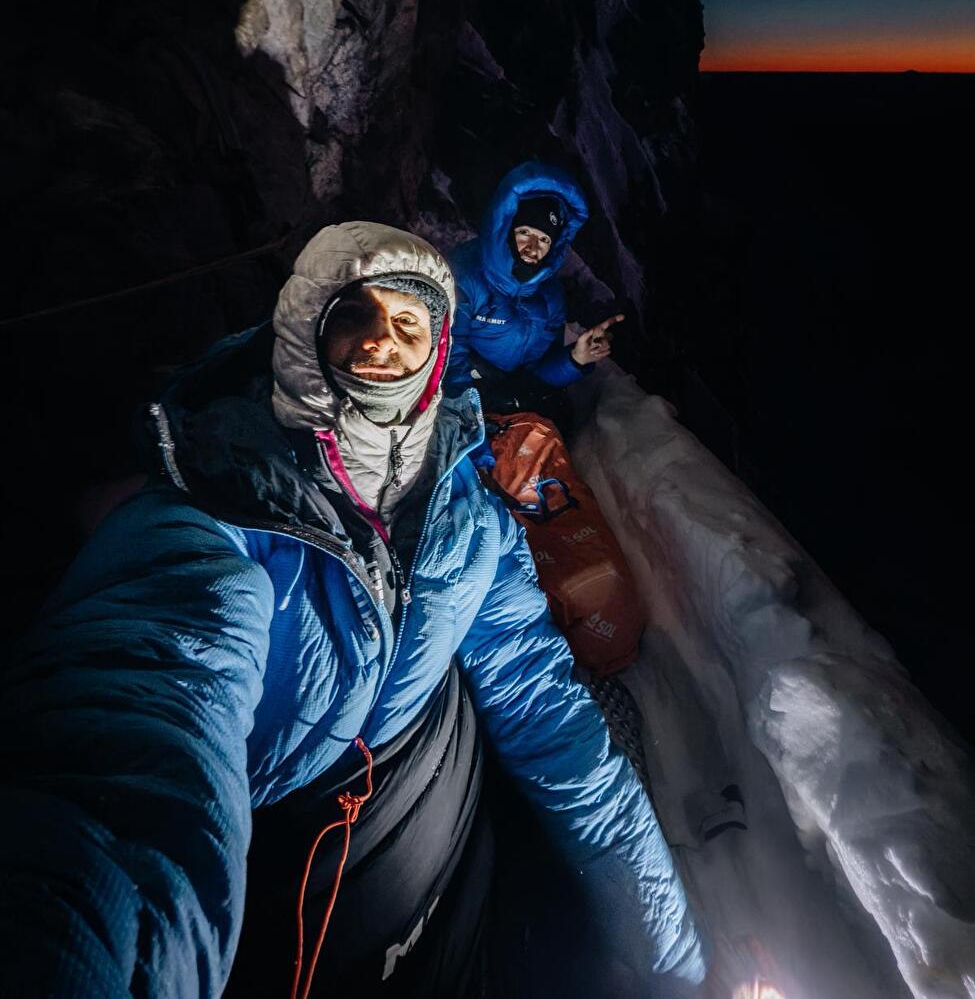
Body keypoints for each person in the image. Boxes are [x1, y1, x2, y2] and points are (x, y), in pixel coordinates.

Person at [0, 221, 706, 999]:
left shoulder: (465, 512)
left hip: (430, 797)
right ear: (306, 331)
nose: (381, 343)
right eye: (353, 317)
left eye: (407, 325)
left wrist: (669, 955)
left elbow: (543, 706)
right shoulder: (214, 513)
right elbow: (134, 737)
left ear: (434, 352)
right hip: (308, 842)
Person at [446, 161, 623, 423]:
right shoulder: (465, 276)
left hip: (507, 399)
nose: (532, 247)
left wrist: (575, 357)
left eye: (544, 239)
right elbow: (448, 361)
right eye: (524, 232)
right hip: (463, 396)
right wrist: (472, 427)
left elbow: (537, 376)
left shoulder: (550, 298)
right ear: (505, 229)